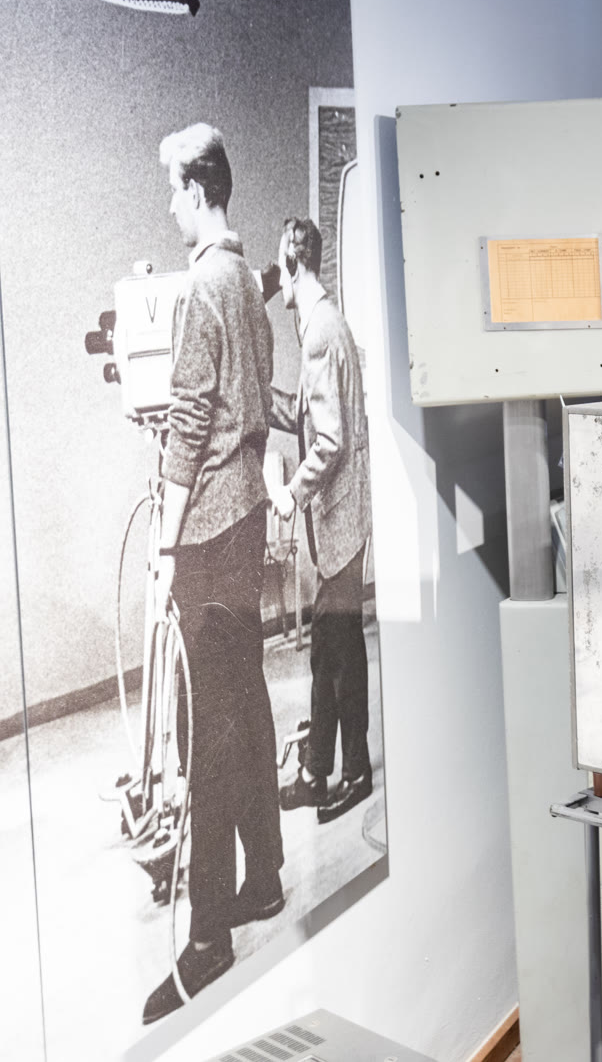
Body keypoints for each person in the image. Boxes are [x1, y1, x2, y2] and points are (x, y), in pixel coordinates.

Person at [144, 124, 284, 1026]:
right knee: (249, 702)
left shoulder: (202, 287)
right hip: (249, 518)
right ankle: (263, 877)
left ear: (197, 190)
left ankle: (207, 936)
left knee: (208, 729)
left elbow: (191, 422)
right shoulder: (249, 282)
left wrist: (164, 543)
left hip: (206, 530)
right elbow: (251, 404)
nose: (169, 207)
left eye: (172, 191)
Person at [267, 217, 374, 827]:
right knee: (329, 651)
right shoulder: (322, 325)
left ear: (294, 263)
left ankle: (353, 774)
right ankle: (316, 771)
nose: (276, 281)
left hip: (338, 521)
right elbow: (309, 417)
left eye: (280, 268)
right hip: (342, 520)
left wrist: (291, 493)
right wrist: (257, 396)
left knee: (338, 653)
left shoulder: (320, 333)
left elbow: (329, 441)